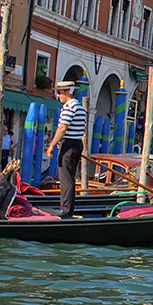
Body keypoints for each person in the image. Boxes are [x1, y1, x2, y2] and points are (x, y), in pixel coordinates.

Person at [43, 81, 88, 217]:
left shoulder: (69, 107)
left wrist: (51, 146)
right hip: (77, 144)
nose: (58, 96)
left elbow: (62, 128)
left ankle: (66, 210)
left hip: (68, 145)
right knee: (70, 178)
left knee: (65, 179)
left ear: (68, 92)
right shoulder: (80, 108)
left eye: (60, 93)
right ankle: (68, 208)